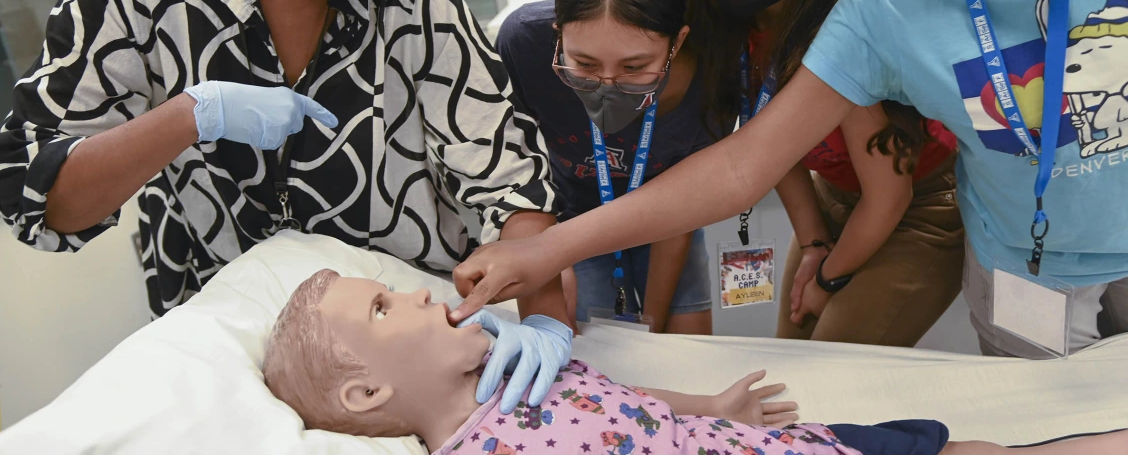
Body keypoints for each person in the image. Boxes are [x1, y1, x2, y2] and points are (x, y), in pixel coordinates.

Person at [450, 0, 1128, 361]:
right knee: (814, 374)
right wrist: (546, 248)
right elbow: (747, 161)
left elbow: (886, 191)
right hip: (1024, 268)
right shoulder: (878, 8)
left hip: (967, 219)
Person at [0, 0, 571, 403]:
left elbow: (507, 171)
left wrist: (548, 322)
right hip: (235, 333)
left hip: (401, 336)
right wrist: (192, 113)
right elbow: (33, 193)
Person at [262, 270, 1128, 455]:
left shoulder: (510, 373)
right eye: (383, 308)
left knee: (959, 449)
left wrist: (713, 404)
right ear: (370, 390)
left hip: (791, 444)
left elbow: (624, 395)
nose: (417, 294)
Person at [678, 0, 962, 346]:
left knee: (828, 375)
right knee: (791, 361)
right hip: (832, 199)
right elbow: (770, 146)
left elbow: (889, 195)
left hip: (916, 208)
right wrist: (812, 244)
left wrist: (830, 277)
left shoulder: (853, 26)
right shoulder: (736, 16)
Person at [496, 0, 712, 335]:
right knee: (585, 363)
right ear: (557, 34)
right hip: (570, 221)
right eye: (585, 65)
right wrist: (546, 250)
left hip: (669, 222)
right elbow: (515, 164)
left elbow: (683, 210)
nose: (605, 86)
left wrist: (652, 324)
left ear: (677, 44)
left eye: (634, 68)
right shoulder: (523, 44)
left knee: (685, 352)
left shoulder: (711, 75)